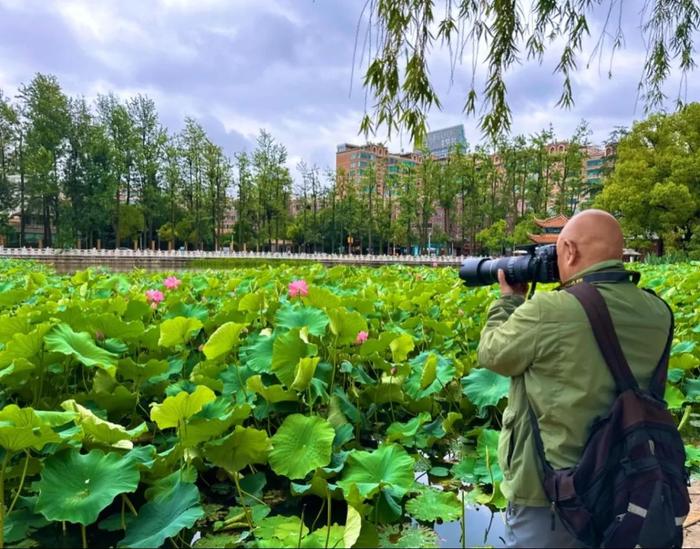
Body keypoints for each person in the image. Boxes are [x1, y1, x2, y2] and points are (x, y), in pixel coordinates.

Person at [476, 209, 673, 548]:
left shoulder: (549, 310)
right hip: (627, 484)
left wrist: (508, 301)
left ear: (568, 249)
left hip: (553, 493)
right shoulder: (659, 312)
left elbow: (492, 353)